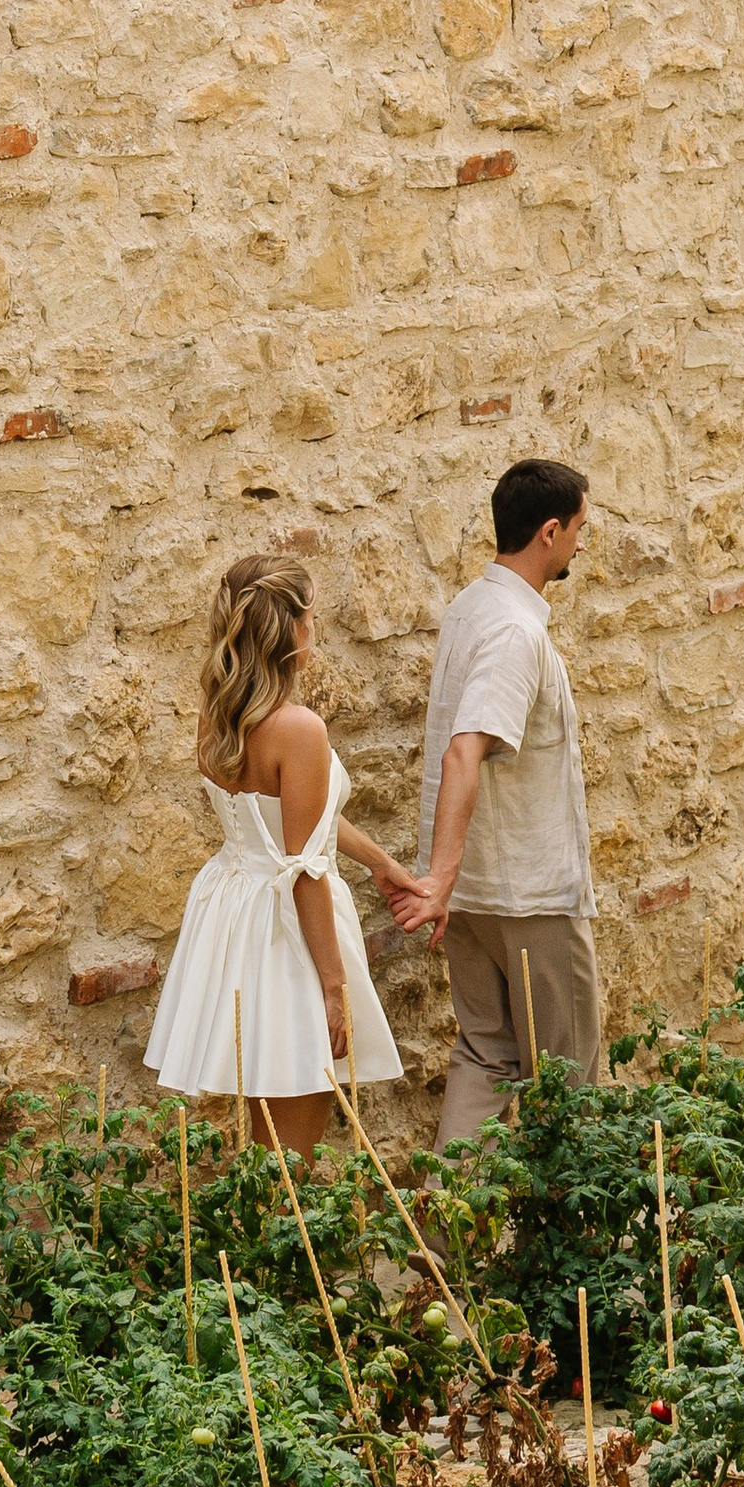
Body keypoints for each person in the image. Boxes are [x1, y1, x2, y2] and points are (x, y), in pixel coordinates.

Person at [143, 550, 421, 1156]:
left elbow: (287, 818)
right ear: (291, 628)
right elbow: (303, 869)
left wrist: (379, 862)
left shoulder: (217, 715)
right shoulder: (299, 729)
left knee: (265, 1138)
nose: (315, 629)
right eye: (311, 617)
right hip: (286, 929)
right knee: (291, 1151)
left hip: (231, 909)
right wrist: (333, 986)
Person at [389, 456, 598, 1143]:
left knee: (485, 1055)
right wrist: (439, 880)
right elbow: (464, 749)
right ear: (548, 532)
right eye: (578, 529)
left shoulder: (469, 607)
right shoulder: (514, 630)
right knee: (567, 1078)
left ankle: (446, 1211)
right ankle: (569, 1215)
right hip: (528, 898)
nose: (580, 545)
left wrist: (447, 879)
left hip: (477, 901)